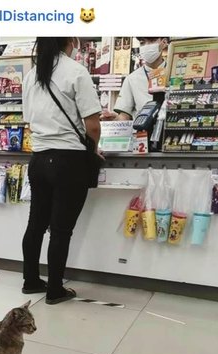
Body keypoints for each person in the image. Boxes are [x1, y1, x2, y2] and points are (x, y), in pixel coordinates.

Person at [22, 37, 101, 305]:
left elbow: (30, 122)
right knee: (61, 230)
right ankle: (55, 290)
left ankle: (31, 280)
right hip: (69, 161)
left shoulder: (32, 75)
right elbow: (92, 126)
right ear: (69, 40)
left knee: (36, 224)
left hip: (39, 160)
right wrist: (94, 148)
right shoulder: (76, 71)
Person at [102, 37, 169, 121]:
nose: (146, 46)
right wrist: (114, 119)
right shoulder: (132, 79)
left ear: (164, 42)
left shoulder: (174, 73)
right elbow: (124, 115)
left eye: (152, 41)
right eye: (142, 42)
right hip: (143, 131)